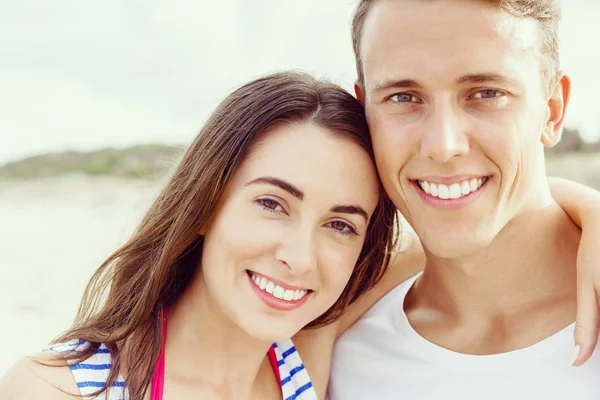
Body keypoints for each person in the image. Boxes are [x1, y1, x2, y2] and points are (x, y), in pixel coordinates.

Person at [0, 71, 399, 399]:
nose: (300, 258)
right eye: (272, 204)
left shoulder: (301, 359)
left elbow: (442, 241)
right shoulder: (54, 390)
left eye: (340, 225)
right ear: (206, 203)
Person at [327, 0, 600, 398]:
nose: (443, 145)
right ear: (364, 110)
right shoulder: (335, 350)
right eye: (403, 97)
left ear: (552, 111)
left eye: (485, 93)